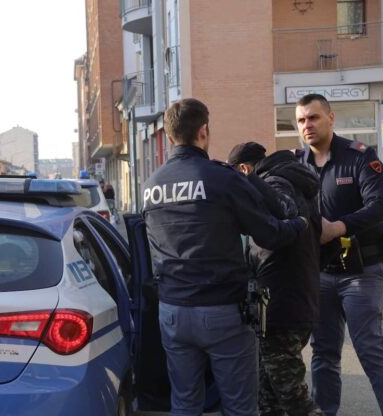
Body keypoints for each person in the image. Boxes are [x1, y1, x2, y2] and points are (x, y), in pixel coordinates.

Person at [142, 98, 309, 415]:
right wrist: (301, 224)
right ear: (203, 130)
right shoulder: (222, 178)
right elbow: (269, 234)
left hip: (172, 311)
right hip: (222, 311)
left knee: (185, 403)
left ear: (168, 135)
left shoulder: (151, 185)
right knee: (239, 407)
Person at [295, 93, 383, 416]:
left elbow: (381, 205)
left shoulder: (359, 157)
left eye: (314, 118)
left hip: (362, 272)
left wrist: (340, 226)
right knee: (323, 353)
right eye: (302, 120)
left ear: (331, 118)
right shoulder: (298, 166)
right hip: (320, 273)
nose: (307, 125)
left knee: (370, 348)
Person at [228, 142, 322, 416]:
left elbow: (286, 211)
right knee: (269, 395)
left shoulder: (276, 183)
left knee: (290, 393)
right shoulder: (290, 179)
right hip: (292, 296)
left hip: (281, 303)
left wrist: (252, 183)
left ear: (245, 169)